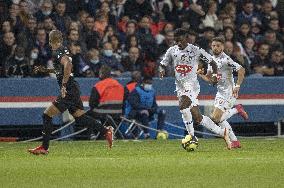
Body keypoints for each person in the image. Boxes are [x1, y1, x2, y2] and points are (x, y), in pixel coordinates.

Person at [28, 30, 113, 155]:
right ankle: (106, 131)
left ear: (51, 41)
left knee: (47, 115)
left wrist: (63, 85)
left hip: (68, 89)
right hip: (73, 87)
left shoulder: (58, 52)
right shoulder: (64, 50)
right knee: (80, 118)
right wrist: (45, 69)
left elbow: (67, 65)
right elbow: (62, 68)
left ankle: (44, 147)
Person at [159, 28, 231, 149]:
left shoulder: (196, 50)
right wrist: (161, 70)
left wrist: (214, 75)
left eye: (180, 40)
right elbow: (162, 64)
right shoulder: (172, 50)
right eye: (176, 41)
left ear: (186, 38)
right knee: (198, 117)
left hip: (192, 85)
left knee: (183, 106)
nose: (178, 43)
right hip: (180, 87)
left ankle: (191, 136)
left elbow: (212, 62)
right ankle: (222, 132)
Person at [198, 37, 248, 148]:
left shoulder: (226, 59)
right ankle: (235, 141)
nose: (215, 48)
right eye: (213, 45)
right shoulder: (211, 60)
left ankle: (237, 109)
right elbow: (211, 80)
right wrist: (201, 74)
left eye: (218, 46)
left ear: (223, 47)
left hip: (229, 92)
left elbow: (241, 70)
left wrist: (238, 86)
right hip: (220, 93)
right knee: (220, 120)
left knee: (216, 118)